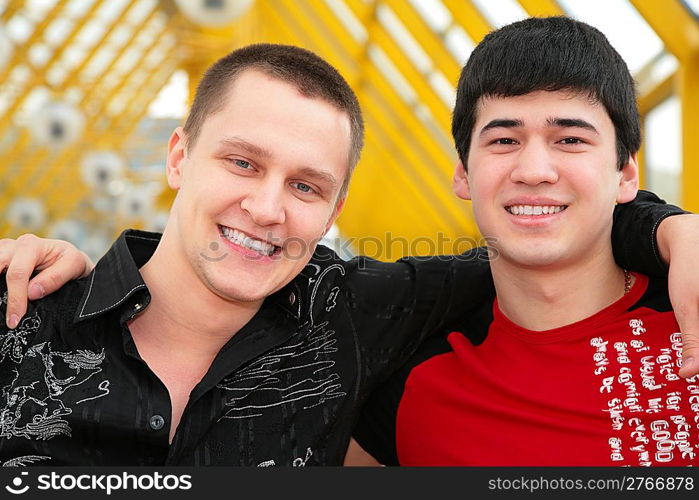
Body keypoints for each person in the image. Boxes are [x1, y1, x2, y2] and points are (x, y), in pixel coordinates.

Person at [0, 41, 696, 466]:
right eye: (242, 163)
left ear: (334, 211)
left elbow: (541, 246)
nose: (268, 208)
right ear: (178, 156)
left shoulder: (350, 315)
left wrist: (671, 230)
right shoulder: (21, 314)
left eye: (305, 185)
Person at [350, 16, 699, 466]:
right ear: (463, 173)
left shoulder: (687, 315)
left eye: (570, 139)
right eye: (504, 139)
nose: (534, 170)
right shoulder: (411, 382)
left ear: (626, 175)